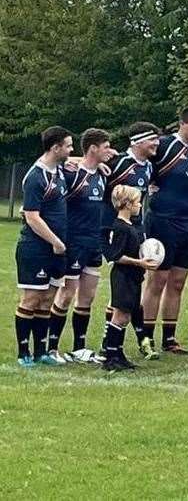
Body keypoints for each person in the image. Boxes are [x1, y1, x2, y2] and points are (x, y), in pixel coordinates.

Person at [142, 106, 188, 355]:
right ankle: (146, 336)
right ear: (182, 123)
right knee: (157, 279)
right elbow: (136, 162)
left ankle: (169, 338)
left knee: (178, 282)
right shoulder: (164, 145)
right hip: (163, 220)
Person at [50, 128, 112, 363]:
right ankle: (52, 347)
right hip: (73, 242)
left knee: (88, 297)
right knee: (66, 294)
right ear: (93, 148)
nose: (110, 151)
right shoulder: (71, 173)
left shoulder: (103, 174)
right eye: (106, 147)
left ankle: (79, 347)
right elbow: (47, 162)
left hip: (94, 242)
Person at [14, 126, 74, 367]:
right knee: (31, 298)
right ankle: (23, 353)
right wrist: (56, 242)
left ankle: (41, 352)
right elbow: (32, 216)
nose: (72, 150)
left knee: (48, 298)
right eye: (68, 146)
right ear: (55, 147)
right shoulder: (36, 177)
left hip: (57, 250)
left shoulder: (58, 169)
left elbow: (77, 161)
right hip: (36, 248)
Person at [99, 122, 159, 357]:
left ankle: (137, 341)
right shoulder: (118, 163)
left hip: (136, 230)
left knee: (133, 289)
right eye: (152, 139)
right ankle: (111, 346)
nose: (157, 144)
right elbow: (88, 166)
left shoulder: (148, 168)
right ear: (138, 142)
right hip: (116, 231)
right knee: (122, 291)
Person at [100, 185, 157, 371]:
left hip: (133, 277)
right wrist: (140, 263)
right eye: (137, 202)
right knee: (119, 315)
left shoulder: (131, 225)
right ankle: (110, 356)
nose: (140, 205)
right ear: (126, 204)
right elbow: (117, 256)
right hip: (123, 277)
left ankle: (119, 353)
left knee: (126, 317)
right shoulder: (120, 227)